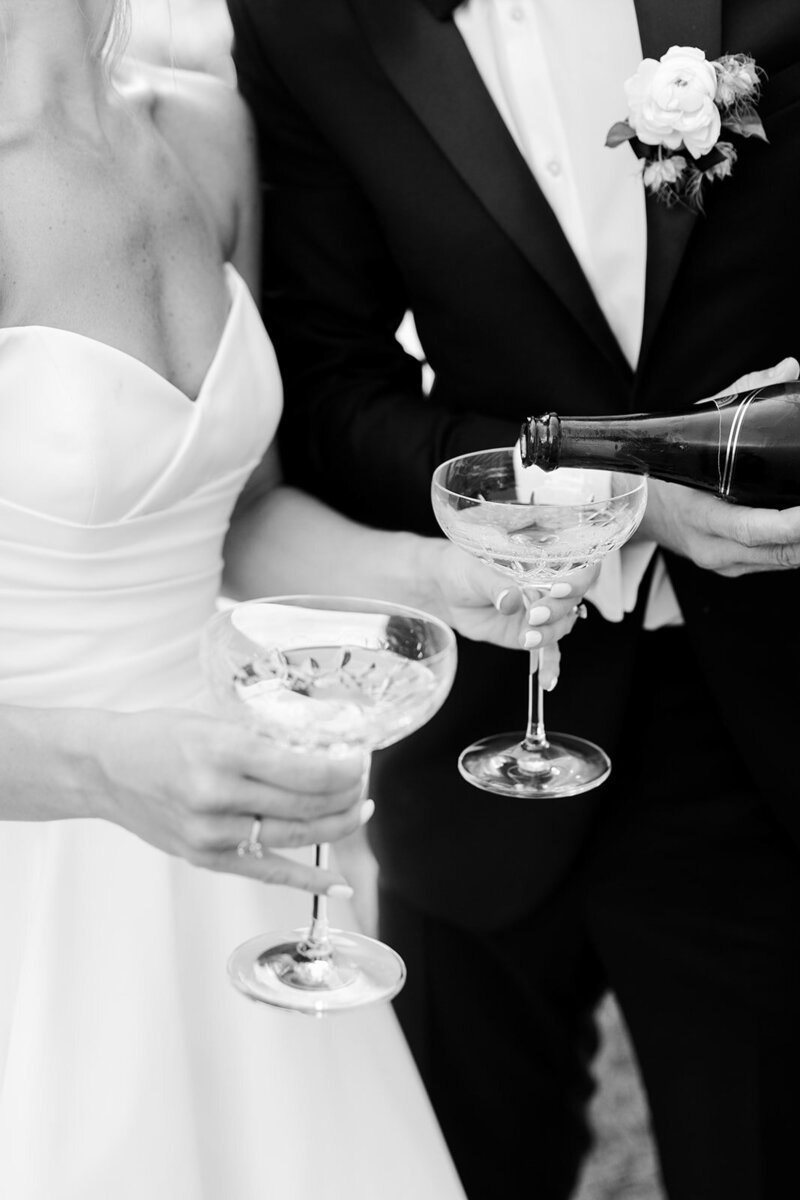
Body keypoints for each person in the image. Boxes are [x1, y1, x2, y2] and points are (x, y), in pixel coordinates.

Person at [0, 3, 595, 1197]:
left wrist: (440, 580)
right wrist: (101, 769)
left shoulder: (204, 128)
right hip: (46, 875)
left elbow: (239, 522)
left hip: (247, 854)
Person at [227, 1, 800, 1197]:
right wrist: (622, 500)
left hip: (755, 715)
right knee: (462, 1157)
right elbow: (331, 392)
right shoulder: (302, 24)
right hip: (481, 722)